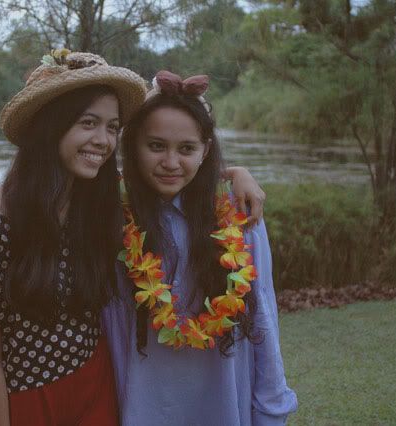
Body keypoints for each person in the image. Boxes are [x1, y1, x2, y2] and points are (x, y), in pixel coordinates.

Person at [0, 50, 148, 426]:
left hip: (95, 386)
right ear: (52, 125)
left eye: (112, 127)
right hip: (27, 399)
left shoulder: (96, 201)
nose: (103, 140)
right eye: (88, 123)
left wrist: (233, 174)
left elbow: (172, 167)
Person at [103, 70, 297, 425]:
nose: (171, 163)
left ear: (206, 151)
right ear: (132, 146)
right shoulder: (111, 221)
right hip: (141, 405)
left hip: (222, 402)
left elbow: (263, 319)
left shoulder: (240, 219)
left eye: (186, 149)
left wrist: (271, 411)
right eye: (156, 146)